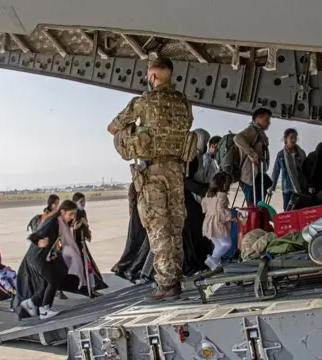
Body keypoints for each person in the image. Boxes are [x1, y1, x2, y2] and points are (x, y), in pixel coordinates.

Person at [107, 58, 193, 301]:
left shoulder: (143, 101)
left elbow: (113, 128)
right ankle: (174, 277)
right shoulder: (184, 103)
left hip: (152, 172)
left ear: (153, 76)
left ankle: (166, 284)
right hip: (177, 169)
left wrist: (134, 134)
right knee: (176, 224)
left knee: (158, 226)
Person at [19, 200, 75, 320]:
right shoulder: (52, 221)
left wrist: (52, 252)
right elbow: (34, 235)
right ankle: (44, 310)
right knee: (52, 281)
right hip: (37, 256)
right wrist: (39, 242)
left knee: (47, 281)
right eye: (70, 214)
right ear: (63, 212)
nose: (72, 217)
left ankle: (31, 303)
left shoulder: (60, 223)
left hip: (43, 256)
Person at [71, 192, 107, 297]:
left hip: (81, 244)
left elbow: (85, 228)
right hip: (74, 245)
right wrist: (77, 225)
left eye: (84, 201)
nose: (83, 204)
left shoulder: (82, 213)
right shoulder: (72, 213)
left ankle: (91, 288)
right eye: (81, 202)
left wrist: (85, 226)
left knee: (88, 267)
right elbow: (69, 229)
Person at [234, 108, 272, 205]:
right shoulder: (253, 130)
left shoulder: (259, 133)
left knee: (257, 202)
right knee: (253, 205)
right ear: (259, 118)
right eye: (267, 120)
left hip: (255, 175)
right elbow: (237, 138)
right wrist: (252, 153)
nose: (269, 123)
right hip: (249, 176)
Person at [269, 129, 308, 210]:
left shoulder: (301, 153)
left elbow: (307, 169)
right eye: (291, 138)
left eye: (295, 138)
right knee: (287, 211)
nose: (293, 140)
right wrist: (271, 188)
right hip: (287, 188)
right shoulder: (281, 155)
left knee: (300, 210)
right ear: (285, 139)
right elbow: (276, 171)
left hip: (301, 187)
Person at [201, 173, 234, 270]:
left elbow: (204, 209)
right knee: (227, 244)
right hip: (216, 224)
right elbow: (220, 211)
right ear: (224, 184)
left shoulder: (208, 194)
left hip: (208, 223)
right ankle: (213, 259)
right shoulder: (222, 196)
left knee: (218, 244)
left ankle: (214, 265)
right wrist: (230, 217)